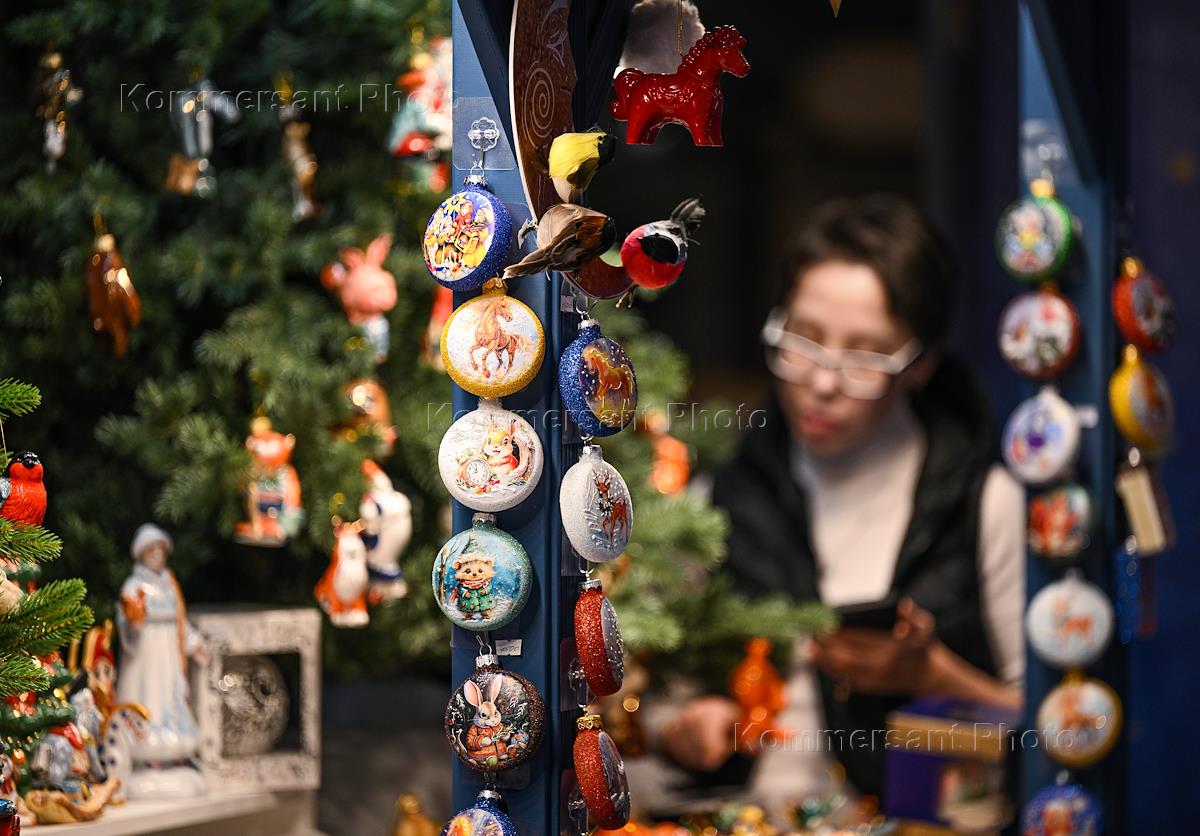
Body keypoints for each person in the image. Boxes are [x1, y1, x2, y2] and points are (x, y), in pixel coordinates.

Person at [660, 194, 1024, 808]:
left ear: (920, 365)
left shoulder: (986, 504)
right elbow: (650, 704)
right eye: (802, 340)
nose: (822, 382)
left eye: (864, 356)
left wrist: (935, 677)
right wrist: (685, 730)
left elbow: (1060, 726)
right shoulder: (718, 499)